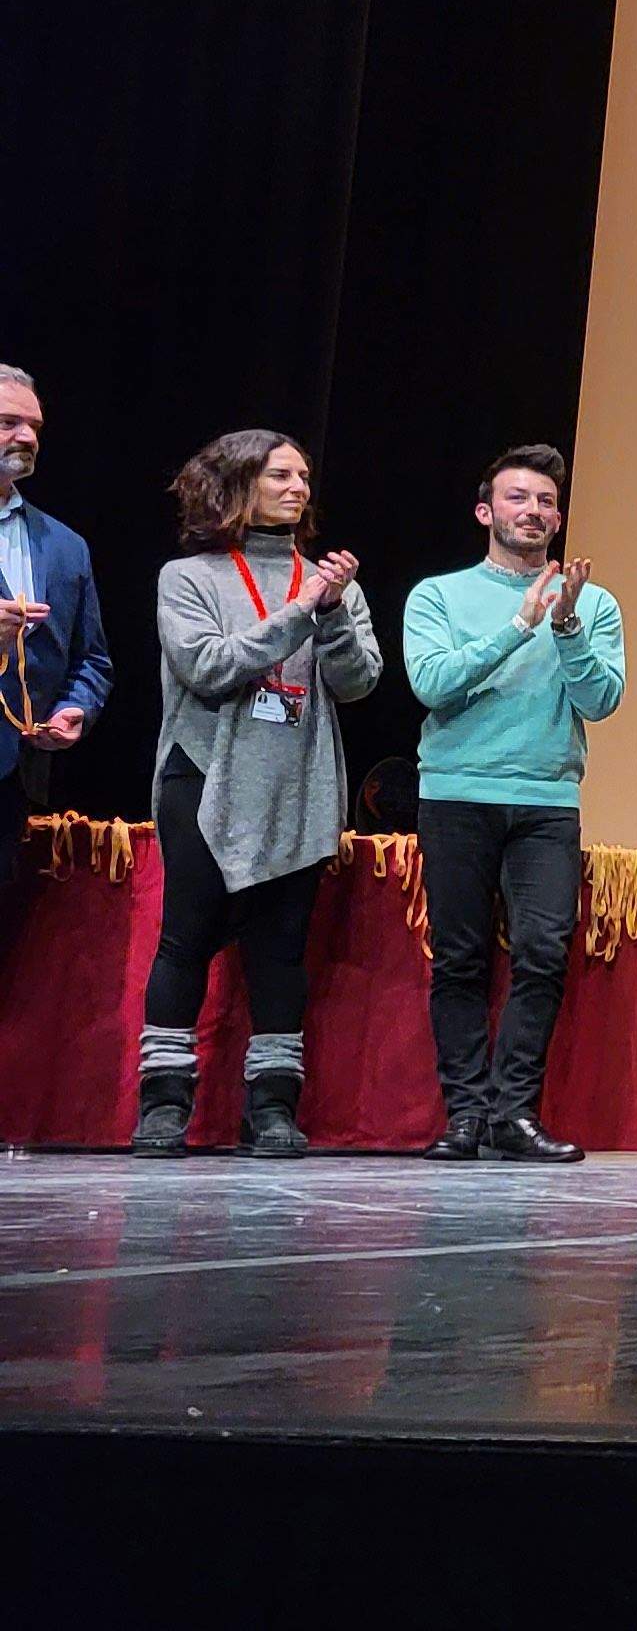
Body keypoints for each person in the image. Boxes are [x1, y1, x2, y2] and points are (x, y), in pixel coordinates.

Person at [141, 430, 382, 1158]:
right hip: (205, 778)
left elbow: (357, 681)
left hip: (297, 786)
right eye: (280, 474)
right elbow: (210, 666)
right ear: (237, 483)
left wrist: (333, 613)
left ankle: (273, 1106)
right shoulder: (189, 578)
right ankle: (162, 1103)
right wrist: (301, 611)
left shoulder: (332, 583)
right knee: (185, 940)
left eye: (305, 475)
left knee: (280, 951)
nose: (298, 487)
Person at [402, 445, 627, 1164]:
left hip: (545, 800)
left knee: (541, 953)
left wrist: (564, 628)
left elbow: (602, 700)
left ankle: (513, 1114)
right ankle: (465, 1114)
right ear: (486, 511)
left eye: (546, 502)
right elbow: (433, 685)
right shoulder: (436, 594)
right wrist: (519, 626)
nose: (534, 511)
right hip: (458, 794)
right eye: (518, 498)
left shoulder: (591, 603)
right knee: (461, 960)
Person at [0, 365, 115, 978]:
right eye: (8, 423)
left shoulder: (64, 545)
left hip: (13, 774)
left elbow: (91, 659)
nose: (27, 437)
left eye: (35, 427)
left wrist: (74, 709)